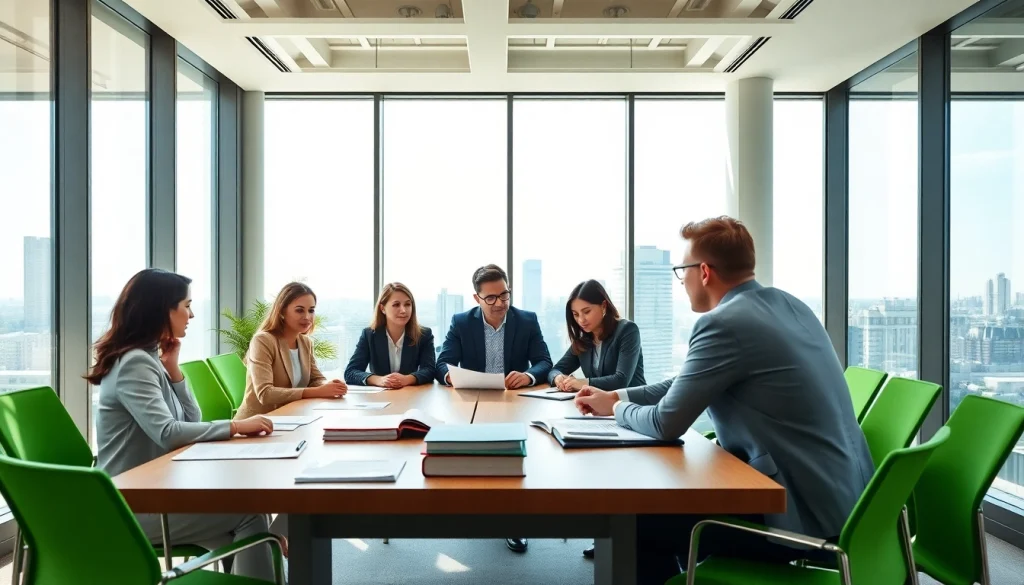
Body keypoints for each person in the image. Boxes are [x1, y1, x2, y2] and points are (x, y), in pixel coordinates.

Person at [574, 216, 874, 585]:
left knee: (633, 520)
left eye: (681, 270)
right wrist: (617, 395)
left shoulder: (724, 323)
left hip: (797, 515)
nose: (680, 281)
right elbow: (689, 381)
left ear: (703, 272)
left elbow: (666, 424)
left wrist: (619, 410)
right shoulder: (789, 305)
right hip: (851, 504)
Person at [90, 268, 280, 581]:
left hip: (156, 492)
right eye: (186, 305)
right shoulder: (135, 362)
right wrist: (235, 427)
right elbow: (168, 434)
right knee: (250, 515)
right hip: (132, 506)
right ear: (162, 310)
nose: (191, 314)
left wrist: (174, 369)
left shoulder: (148, 357)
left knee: (243, 529)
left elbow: (190, 420)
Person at [436, 264, 552, 554]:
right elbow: (442, 362)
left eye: (504, 295)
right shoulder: (461, 322)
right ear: (477, 299)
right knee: (479, 458)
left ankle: (515, 521)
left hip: (515, 401)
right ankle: (480, 512)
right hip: (475, 402)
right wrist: (451, 376)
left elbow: (543, 361)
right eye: (491, 298)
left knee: (514, 460)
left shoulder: (526, 320)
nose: (500, 303)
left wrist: (528, 376)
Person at [548, 279, 645, 559]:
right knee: (596, 469)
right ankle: (605, 535)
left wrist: (580, 383)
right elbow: (555, 369)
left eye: (587, 311)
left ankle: (623, 539)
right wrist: (560, 379)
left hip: (632, 411)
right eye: (576, 315)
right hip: (598, 414)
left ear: (604, 306)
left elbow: (620, 379)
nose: (582, 320)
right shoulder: (585, 339)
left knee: (619, 477)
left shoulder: (627, 331)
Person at [236, 282, 348, 419]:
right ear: (282, 311)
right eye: (299, 310)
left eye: (311, 310)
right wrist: (318, 391)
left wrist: (330, 386)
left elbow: (315, 379)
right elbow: (265, 394)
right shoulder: (263, 341)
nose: (307, 317)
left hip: (293, 417)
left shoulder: (305, 342)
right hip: (258, 423)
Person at [344, 282, 437, 388]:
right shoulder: (369, 335)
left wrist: (407, 379)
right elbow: (351, 372)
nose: (403, 310)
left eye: (407, 304)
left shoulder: (423, 335)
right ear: (382, 308)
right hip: (380, 398)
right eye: (396, 305)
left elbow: (430, 370)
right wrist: (379, 380)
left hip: (411, 396)